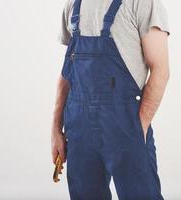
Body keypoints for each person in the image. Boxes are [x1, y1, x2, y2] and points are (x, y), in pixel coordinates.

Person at [51, 0, 170, 199]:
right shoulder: (73, 4)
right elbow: (67, 74)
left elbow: (161, 70)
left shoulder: (143, 3)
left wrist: (139, 126)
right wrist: (56, 129)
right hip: (79, 128)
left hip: (125, 123)